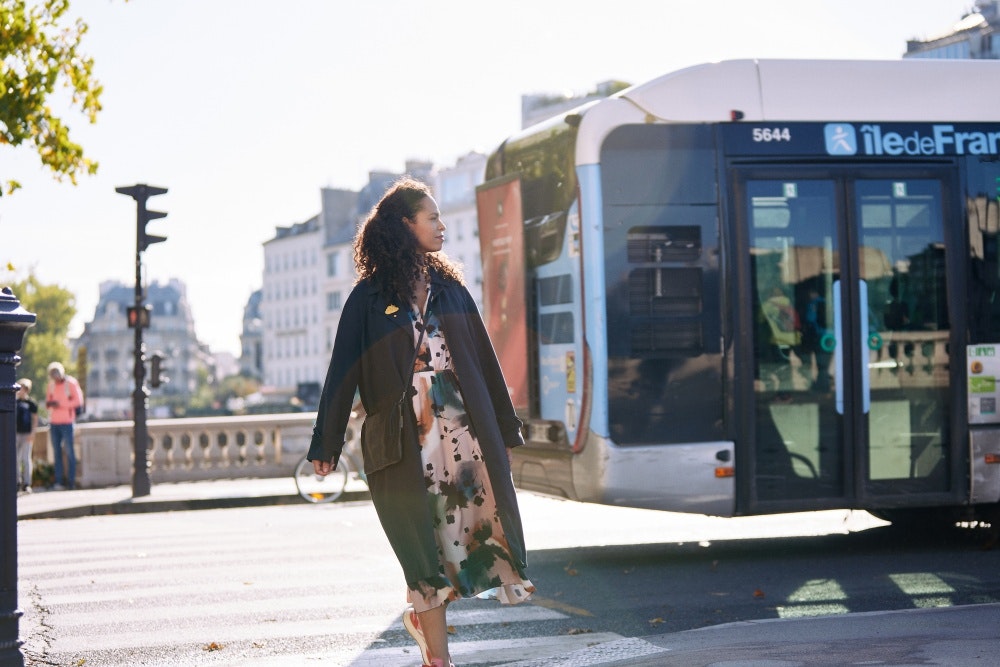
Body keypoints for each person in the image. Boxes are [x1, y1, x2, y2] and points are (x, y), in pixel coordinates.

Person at [308, 178, 534, 667]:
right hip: (401, 441)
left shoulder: (451, 290)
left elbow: (484, 361)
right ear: (404, 226)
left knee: (471, 536)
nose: (441, 225)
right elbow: (342, 373)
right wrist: (324, 444)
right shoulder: (368, 299)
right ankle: (440, 658)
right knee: (422, 552)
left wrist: (504, 430)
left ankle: (431, 638)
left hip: (463, 432)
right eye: (431, 217)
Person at [44, 361, 83, 490]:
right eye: (52, 374)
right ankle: (59, 481)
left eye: (56, 373)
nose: (55, 377)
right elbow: (47, 402)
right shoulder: (51, 386)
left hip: (67, 421)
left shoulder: (71, 383)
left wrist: (60, 404)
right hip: (54, 422)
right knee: (57, 453)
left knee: (70, 452)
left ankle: (71, 481)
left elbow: (78, 401)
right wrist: (51, 404)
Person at [15, 378, 38, 493]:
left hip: (27, 433)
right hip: (16, 433)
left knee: (26, 458)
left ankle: (27, 483)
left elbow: (35, 419)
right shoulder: (15, 402)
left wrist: (33, 433)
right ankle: (17, 481)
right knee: (16, 459)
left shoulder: (31, 404)